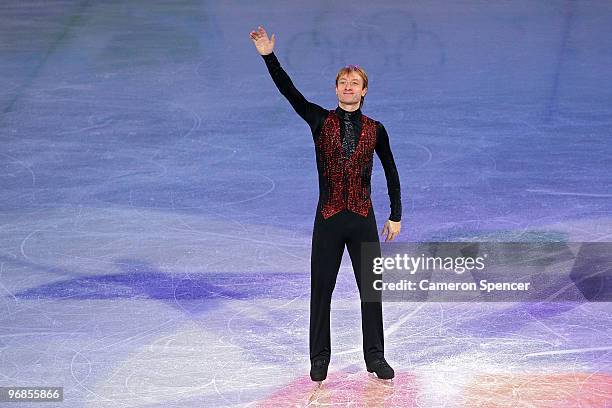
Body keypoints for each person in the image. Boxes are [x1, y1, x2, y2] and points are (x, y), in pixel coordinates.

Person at [250, 26, 402, 382]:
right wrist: (268, 56)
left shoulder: (376, 129)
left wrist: (396, 214)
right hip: (329, 218)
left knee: (371, 292)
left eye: (354, 83)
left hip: (363, 218)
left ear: (364, 91)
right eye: (343, 83)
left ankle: (376, 357)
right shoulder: (319, 120)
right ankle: (319, 358)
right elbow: (289, 92)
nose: (348, 87)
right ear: (336, 89)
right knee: (321, 290)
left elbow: (391, 170)